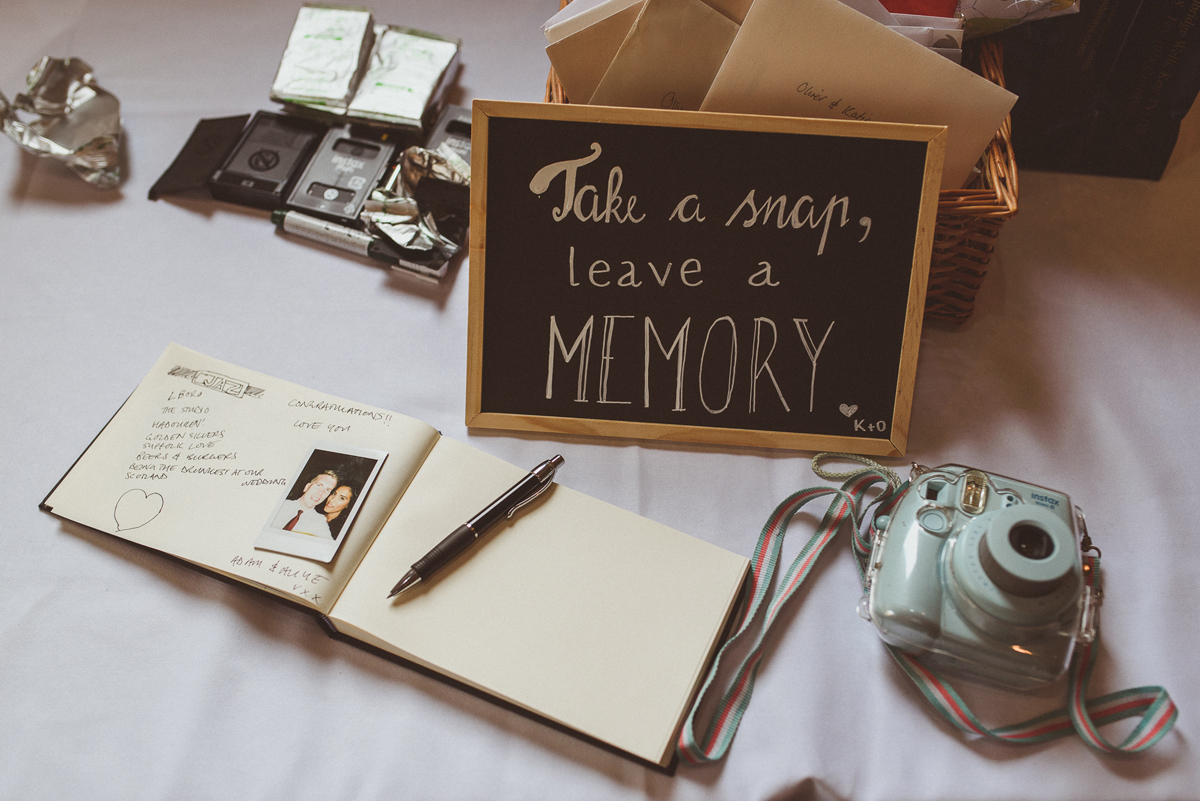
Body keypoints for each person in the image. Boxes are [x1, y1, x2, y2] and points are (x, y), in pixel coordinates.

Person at [270, 469, 338, 537]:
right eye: (319, 485)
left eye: (327, 490)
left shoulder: (320, 522)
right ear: (307, 487)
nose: (320, 493)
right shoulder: (278, 505)